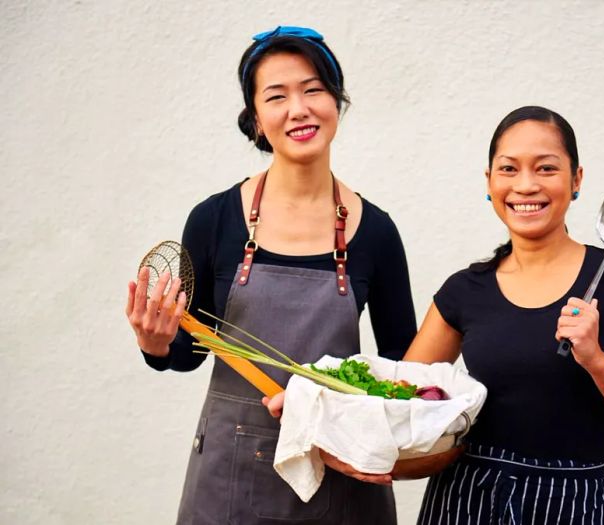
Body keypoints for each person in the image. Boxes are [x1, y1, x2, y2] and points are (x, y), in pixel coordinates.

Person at [125, 26, 416, 525]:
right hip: (229, 482)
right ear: (256, 120)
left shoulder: (377, 233)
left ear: (337, 104)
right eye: (277, 96)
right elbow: (189, 349)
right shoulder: (214, 219)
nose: (298, 109)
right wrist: (156, 345)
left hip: (339, 478)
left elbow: (402, 371)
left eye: (314, 89)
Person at [402, 106, 604, 524]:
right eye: (509, 169)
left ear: (576, 180)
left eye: (546, 168)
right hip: (464, 500)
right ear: (490, 182)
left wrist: (596, 360)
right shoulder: (464, 290)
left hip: (570, 505)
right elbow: (397, 397)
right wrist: (310, 407)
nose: (526, 185)